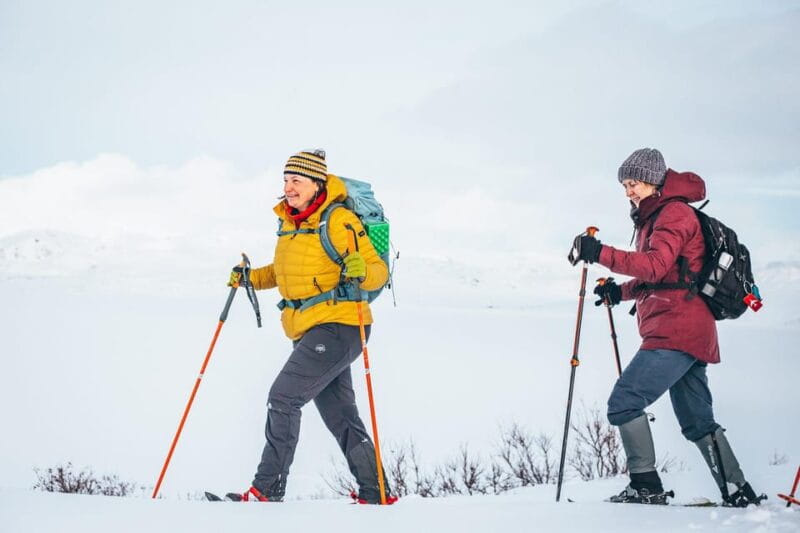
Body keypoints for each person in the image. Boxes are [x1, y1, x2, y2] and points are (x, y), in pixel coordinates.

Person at [569, 148, 763, 506]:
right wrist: (620, 291)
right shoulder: (655, 216)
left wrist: (599, 253)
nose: (628, 191)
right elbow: (667, 277)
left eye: (634, 183)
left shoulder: (674, 213)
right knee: (697, 421)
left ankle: (646, 486)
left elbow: (655, 266)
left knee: (624, 402)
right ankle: (738, 491)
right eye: (625, 185)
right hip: (688, 329)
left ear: (654, 180)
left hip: (677, 330)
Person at [227, 149, 396, 504]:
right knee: (340, 415)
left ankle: (267, 489)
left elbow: (377, 271)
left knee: (283, 398)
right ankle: (376, 491)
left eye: (296, 181)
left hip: (340, 324)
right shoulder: (291, 223)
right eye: (286, 181)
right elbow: (282, 273)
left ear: (316, 183)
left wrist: (361, 269)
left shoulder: (338, 220)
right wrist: (249, 279)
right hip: (310, 328)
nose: (289, 188)